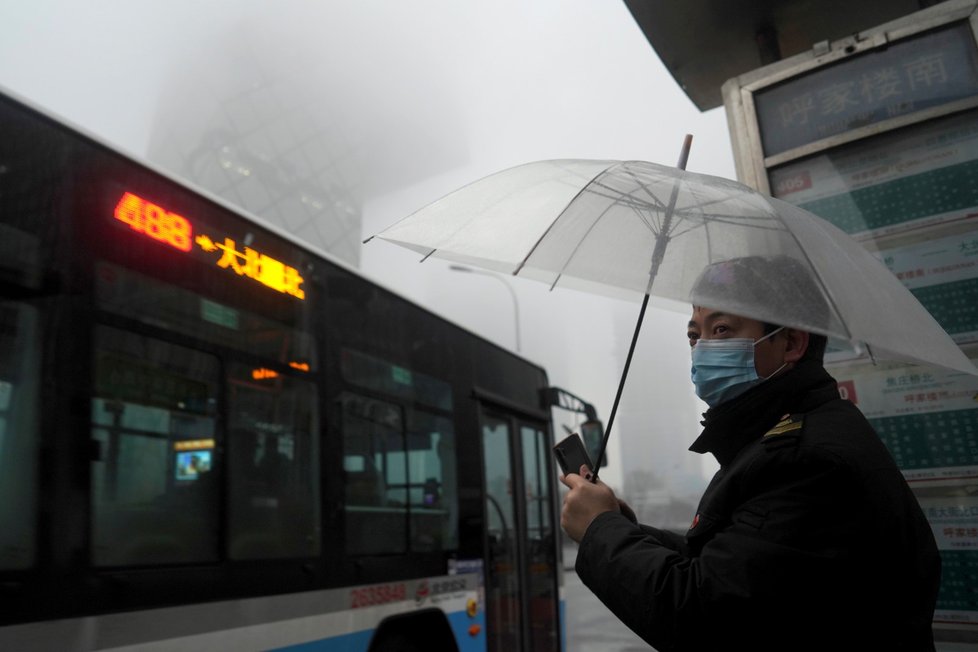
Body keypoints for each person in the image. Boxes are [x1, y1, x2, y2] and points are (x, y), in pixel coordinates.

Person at [560, 255, 941, 652]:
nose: (702, 350)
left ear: (791, 343)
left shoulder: (806, 461)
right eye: (695, 335)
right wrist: (623, 528)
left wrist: (599, 531)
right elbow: (731, 564)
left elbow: (708, 615)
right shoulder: (780, 438)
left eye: (722, 330)